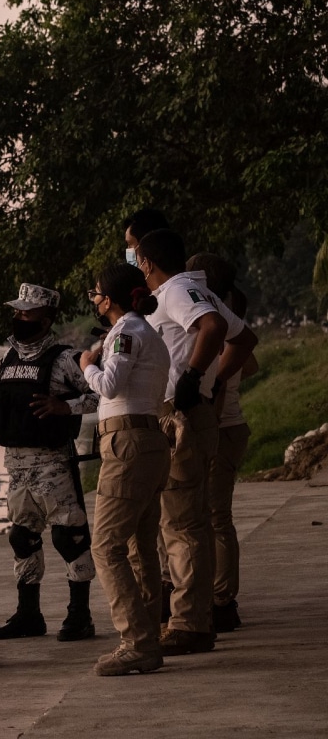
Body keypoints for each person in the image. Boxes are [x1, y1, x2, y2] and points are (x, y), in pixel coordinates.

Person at [134, 229, 258, 655]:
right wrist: (214, 380)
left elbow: (213, 327)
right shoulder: (195, 289)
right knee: (191, 521)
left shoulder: (176, 291)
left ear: (146, 262)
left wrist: (192, 377)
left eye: (136, 257)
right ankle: (195, 614)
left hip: (178, 413)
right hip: (192, 410)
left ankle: (189, 623)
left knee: (181, 523)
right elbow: (243, 340)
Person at [0, 283, 100, 642]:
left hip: (53, 462)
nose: (19, 316)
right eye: (17, 311)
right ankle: (28, 615)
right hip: (16, 464)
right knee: (22, 538)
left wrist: (66, 407)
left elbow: (101, 393)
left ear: (47, 318)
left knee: (70, 538)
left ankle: (80, 616)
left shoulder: (65, 358)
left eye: (27, 312)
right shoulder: (7, 357)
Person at [79, 263, 172, 675]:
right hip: (147, 438)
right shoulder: (142, 332)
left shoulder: (127, 333)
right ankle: (148, 633)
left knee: (106, 546)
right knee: (139, 544)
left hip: (128, 441)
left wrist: (86, 365)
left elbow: (110, 384)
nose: (94, 300)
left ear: (110, 299)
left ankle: (136, 641)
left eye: (96, 293)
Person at [186, 252, 257, 633]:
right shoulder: (217, 315)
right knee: (207, 518)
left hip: (223, 427)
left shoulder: (215, 318)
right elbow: (252, 362)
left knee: (215, 518)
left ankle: (222, 600)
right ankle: (214, 596)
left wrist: (213, 383)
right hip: (224, 426)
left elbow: (246, 361)